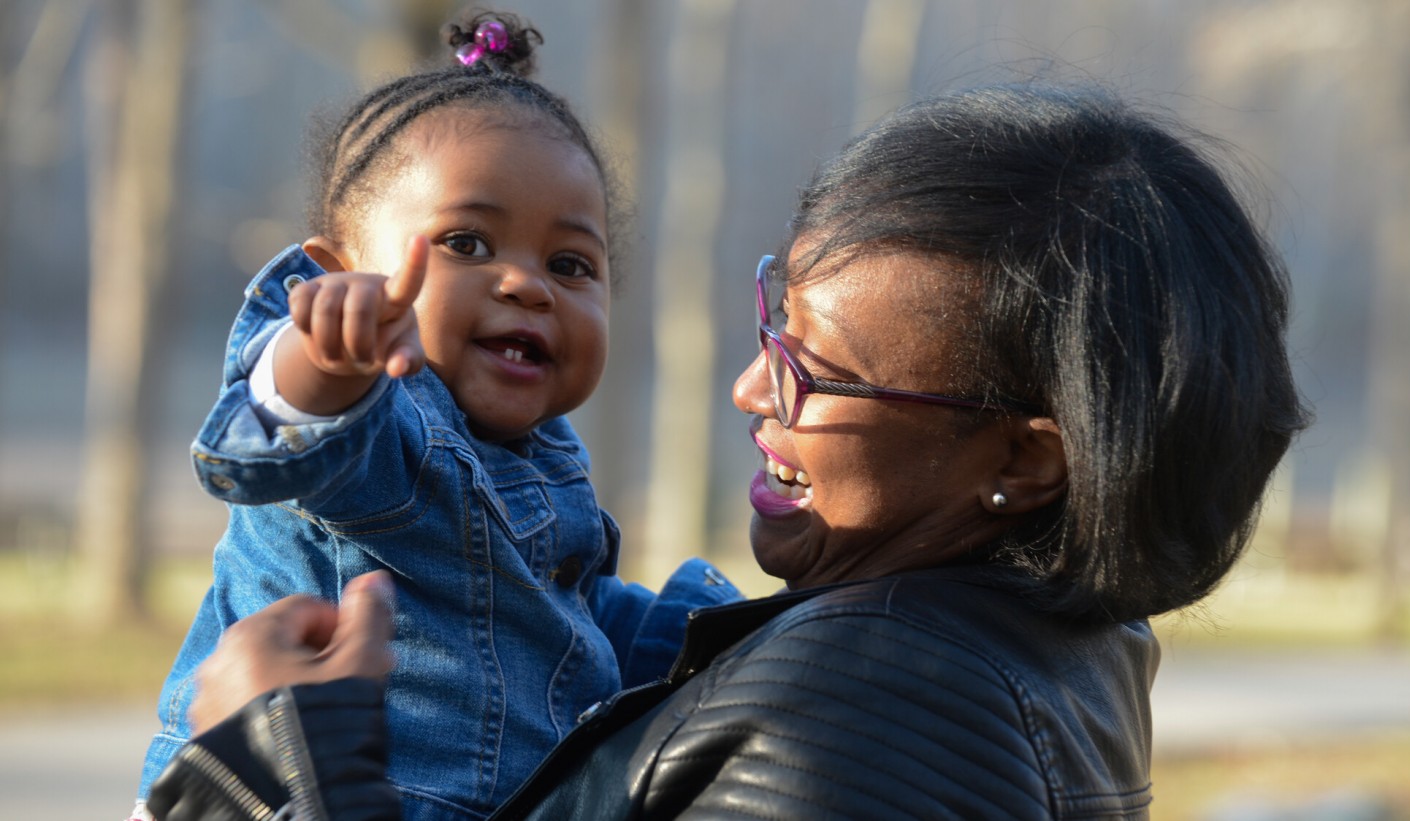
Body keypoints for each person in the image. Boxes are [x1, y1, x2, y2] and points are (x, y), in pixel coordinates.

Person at [143, 82, 1308, 820]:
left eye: (817, 367)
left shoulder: (859, 715)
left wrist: (265, 769)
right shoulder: (1064, 640)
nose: (754, 387)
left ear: (1025, 454)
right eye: (772, 325)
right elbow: (283, 435)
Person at [132, 11, 740, 821]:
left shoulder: (545, 458)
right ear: (336, 275)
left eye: (570, 264)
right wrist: (325, 350)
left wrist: (712, 636)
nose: (528, 285)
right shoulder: (380, 411)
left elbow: (566, 630)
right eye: (467, 242)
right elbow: (285, 437)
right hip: (298, 791)